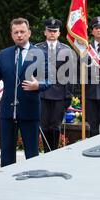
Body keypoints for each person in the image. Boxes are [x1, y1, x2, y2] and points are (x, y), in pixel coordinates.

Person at [0, 18, 49, 167]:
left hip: (29, 109)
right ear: (11, 34)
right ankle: (7, 183)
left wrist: (38, 85)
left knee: (32, 152)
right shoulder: (4, 54)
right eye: (16, 32)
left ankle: (32, 181)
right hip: (7, 111)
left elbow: (48, 80)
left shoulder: (39, 53)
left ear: (29, 33)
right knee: (7, 153)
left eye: (22, 32)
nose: (19, 35)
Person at [36, 18, 73, 152]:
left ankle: (54, 151)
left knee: (56, 126)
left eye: (54, 31)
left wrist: (68, 96)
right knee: (44, 126)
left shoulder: (66, 50)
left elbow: (69, 75)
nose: (52, 33)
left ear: (58, 33)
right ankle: (46, 152)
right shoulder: (37, 49)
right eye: (49, 31)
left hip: (59, 94)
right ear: (45, 32)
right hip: (42, 94)